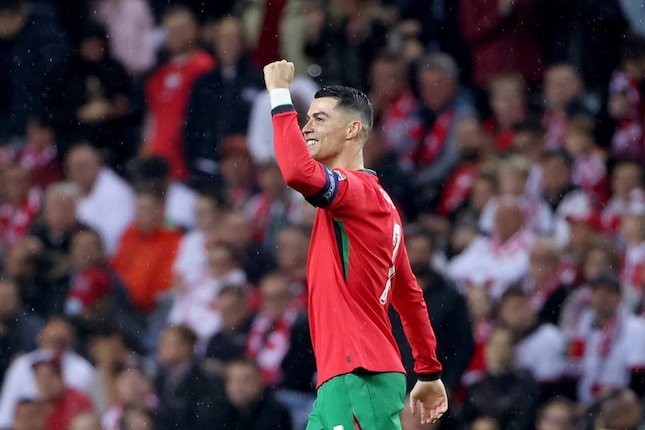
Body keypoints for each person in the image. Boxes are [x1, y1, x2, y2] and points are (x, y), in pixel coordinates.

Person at [263, 60, 447, 428]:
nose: (306, 126)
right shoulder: (381, 208)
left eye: (319, 119)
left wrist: (279, 95)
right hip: (347, 378)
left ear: (352, 130)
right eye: (306, 118)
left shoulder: (357, 192)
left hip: (358, 375)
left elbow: (297, 172)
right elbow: (409, 297)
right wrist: (427, 372)